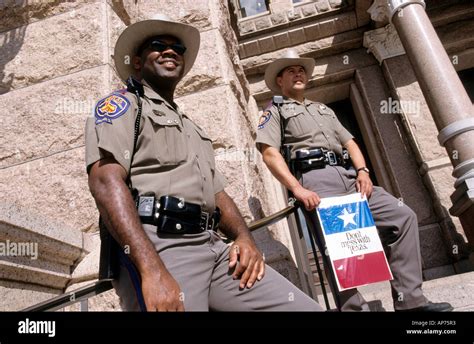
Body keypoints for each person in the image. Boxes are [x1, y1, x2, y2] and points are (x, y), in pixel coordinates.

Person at [85, 14, 322, 311]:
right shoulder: (124, 105)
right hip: (162, 246)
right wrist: (151, 269)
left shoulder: (191, 127)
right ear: (136, 61)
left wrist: (245, 238)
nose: (170, 51)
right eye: (158, 45)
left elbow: (217, 194)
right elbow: (105, 182)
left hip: (214, 246)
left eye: (178, 49)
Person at [255, 49, 453, 312]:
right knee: (338, 248)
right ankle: (353, 310)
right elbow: (269, 153)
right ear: (279, 81)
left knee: (402, 216)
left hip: (349, 175)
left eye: (301, 69)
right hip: (316, 179)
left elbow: (350, 142)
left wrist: (363, 171)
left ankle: (411, 302)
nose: (298, 73)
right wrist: (297, 188)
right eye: (291, 70)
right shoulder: (275, 110)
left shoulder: (323, 109)